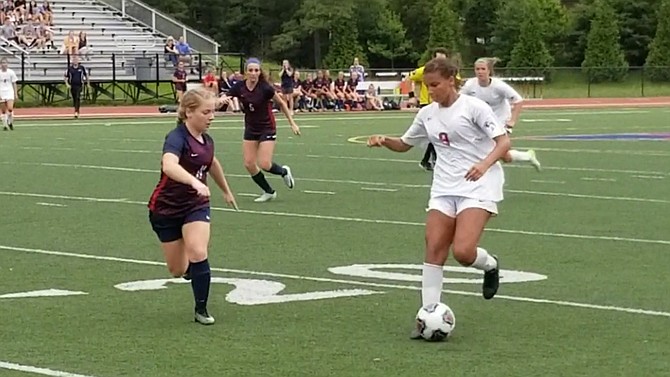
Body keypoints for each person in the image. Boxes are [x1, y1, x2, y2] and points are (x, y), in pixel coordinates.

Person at [366, 57, 510, 339]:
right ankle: (426, 316)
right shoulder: (427, 114)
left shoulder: (474, 107)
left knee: (464, 252)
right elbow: (405, 145)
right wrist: (385, 140)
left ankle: (490, 265)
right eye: (426, 86)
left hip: (477, 186)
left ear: (451, 80)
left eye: (435, 85)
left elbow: (503, 142)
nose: (430, 91)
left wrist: (483, 165)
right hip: (444, 188)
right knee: (433, 250)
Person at [148, 87, 238, 325]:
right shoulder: (176, 137)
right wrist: (193, 181)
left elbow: (212, 163)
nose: (212, 117)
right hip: (165, 209)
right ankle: (192, 271)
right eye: (206, 112)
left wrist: (226, 190)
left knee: (198, 251)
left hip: (195, 206)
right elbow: (169, 165)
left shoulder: (207, 141)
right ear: (189, 112)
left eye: (213, 111)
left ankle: (201, 309)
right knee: (177, 270)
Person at [223, 58, 300, 203]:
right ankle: (269, 191)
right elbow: (225, 96)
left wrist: (292, 123)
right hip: (251, 128)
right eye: (250, 70)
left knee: (264, 163)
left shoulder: (265, 88)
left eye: (256, 70)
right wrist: (220, 101)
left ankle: (284, 172)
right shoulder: (240, 87)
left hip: (267, 127)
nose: (253, 73)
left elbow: (282, 103)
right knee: (249, 163)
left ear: (259, 72)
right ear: (246, 72)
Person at [460, 57, 541, 170]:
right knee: (504, 156)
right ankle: (527, 156)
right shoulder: (470, 85)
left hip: (500, 120)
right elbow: (459, 99)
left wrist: (512, 121)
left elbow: (518, 101)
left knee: (495, 149)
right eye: (477, 69)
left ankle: (484, 169)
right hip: (482, 120)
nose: (480, 72)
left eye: (483, 69)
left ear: (489, 71)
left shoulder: (498, 85)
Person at [408, 48, 457, 171]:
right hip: (428, 104)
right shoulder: (424, 71)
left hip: (446, 105)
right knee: (435, 134)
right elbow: (409, 79)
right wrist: (412, 96)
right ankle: (435, 160)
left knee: (440, 134)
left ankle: (428, 160)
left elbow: (457, 85)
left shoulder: (451, 72)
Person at [0, 58, 18, 131]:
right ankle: (5, 125)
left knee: (10, 108)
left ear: (7, 64)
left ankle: (10, 122)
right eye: (2, 63)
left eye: (5, 63)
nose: (4, 65)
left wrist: (15, 93)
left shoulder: (11, 72)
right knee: (3, 111)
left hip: (9, 92)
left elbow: (14, 83)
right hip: (1, 92)